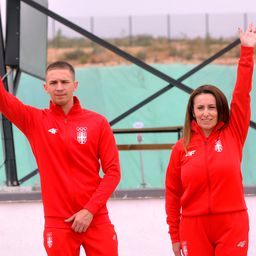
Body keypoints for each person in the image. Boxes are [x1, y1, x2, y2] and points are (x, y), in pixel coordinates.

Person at [0, 61, 121, 256]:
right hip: (58, 223)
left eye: (64, 82)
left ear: (75, 85)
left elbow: (113, 172)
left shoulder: (97, 122)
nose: (59, 87)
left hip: (96, 219)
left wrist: (89, 210)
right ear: (45, 87)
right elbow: (3, 99)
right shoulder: (34, 120)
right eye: (53, 82)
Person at [165, 24, 256, 256]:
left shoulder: (233, 132)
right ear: (192, 112)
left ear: (220, 110)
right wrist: (175, 236)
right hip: (193, 227)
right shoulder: (181, 148)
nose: (206, 112)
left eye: (212, 107)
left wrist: (247, 52)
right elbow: (173, 195)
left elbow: (242, 94)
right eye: (201, 108)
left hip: (232, 224)